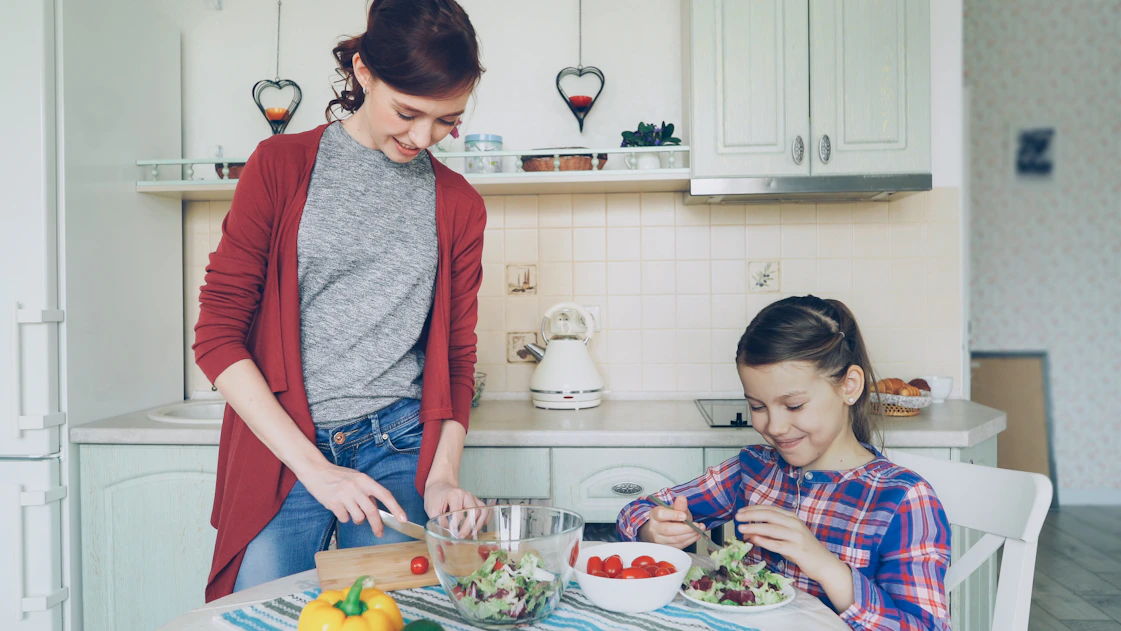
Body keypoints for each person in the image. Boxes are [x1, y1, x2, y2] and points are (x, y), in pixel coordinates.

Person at [193, 0, 488, 600]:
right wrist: (315, 469)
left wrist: (443, 476)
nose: (422, 137)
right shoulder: (280, 166)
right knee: (259, 612)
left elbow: (457, 354)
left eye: (446, 121)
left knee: (389, 614)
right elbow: (217, 336)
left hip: (400, 445)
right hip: (286, 446)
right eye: (408, 113)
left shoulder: (458, 203)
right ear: (362, 72)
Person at [617, 296, 951, 629]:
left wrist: (824, 564)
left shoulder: (902, 500)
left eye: (793, 406)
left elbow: (925, 626)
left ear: (849, 386)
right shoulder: (754, 470)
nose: (773, 427)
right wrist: (654, 529)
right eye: (758, 407)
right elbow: (638, 511)